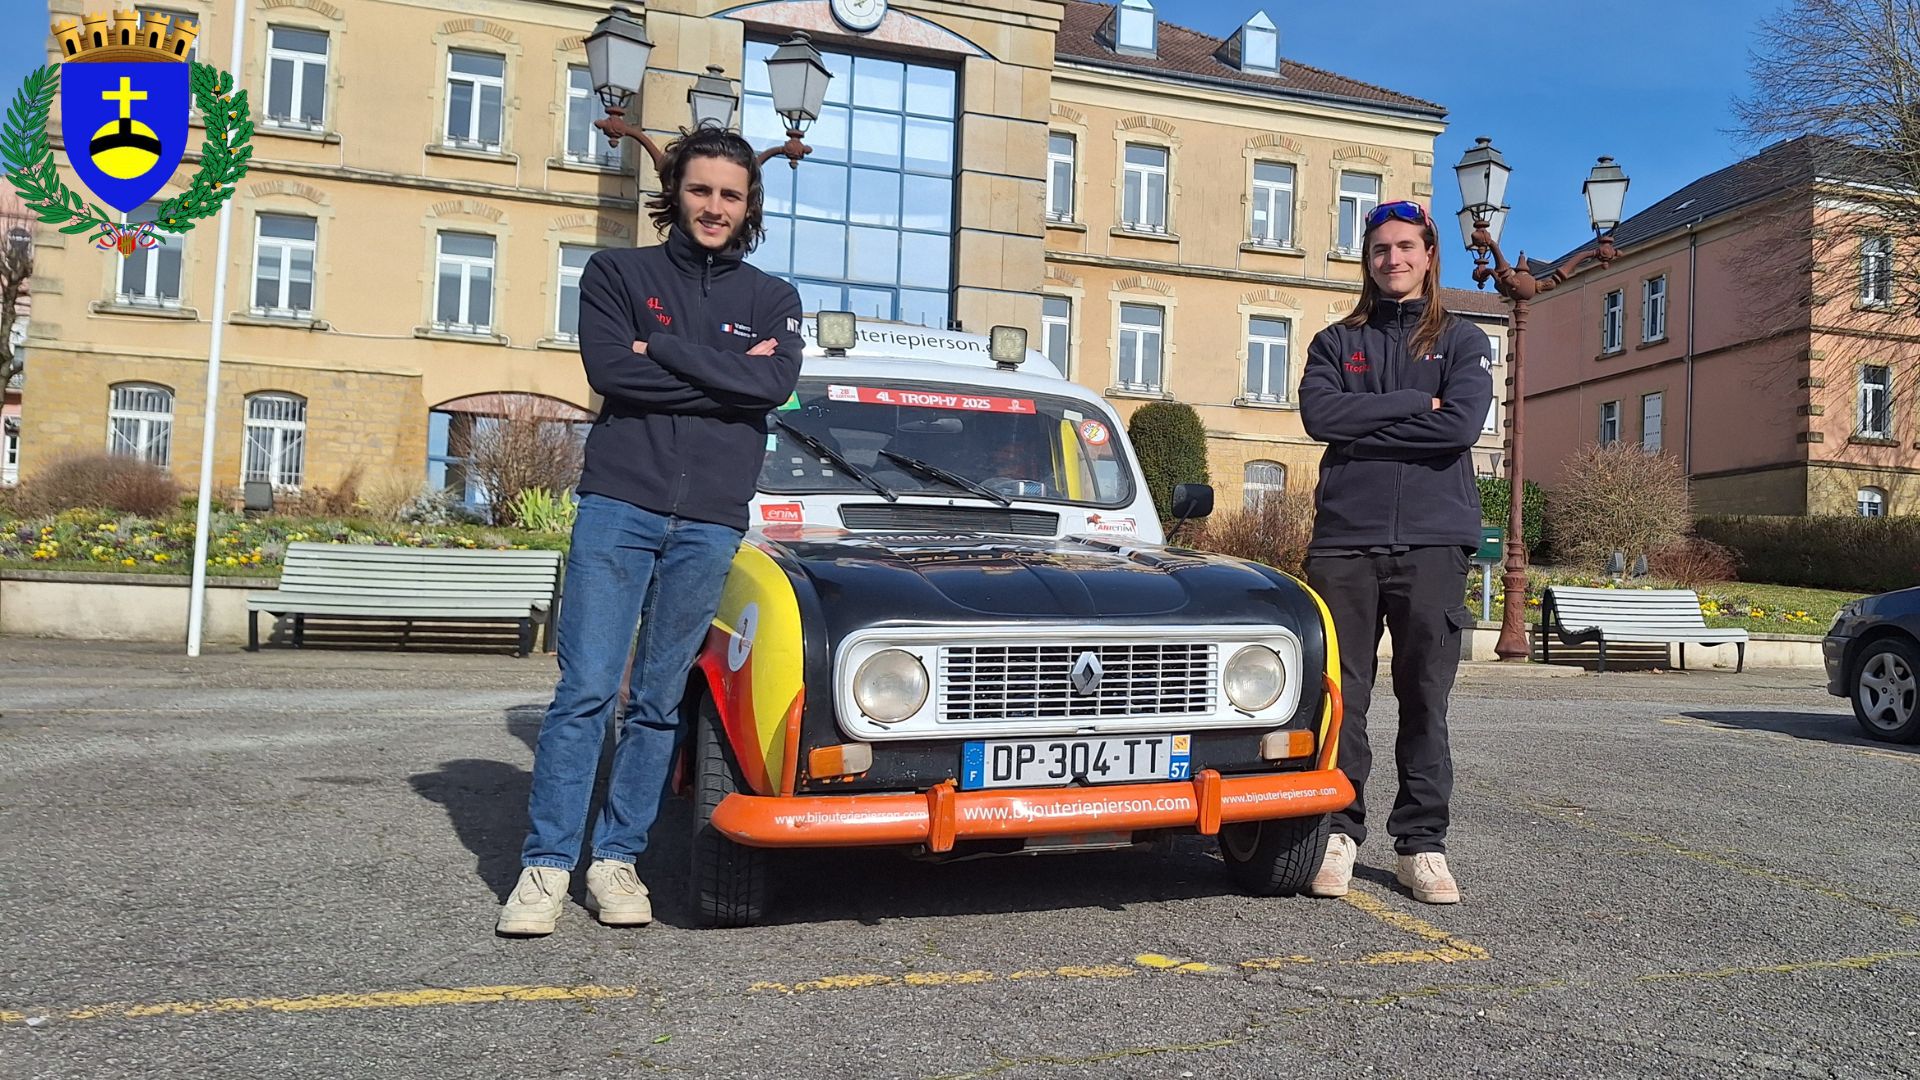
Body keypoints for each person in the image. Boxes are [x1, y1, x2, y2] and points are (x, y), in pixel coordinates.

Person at [497, 128, 804, 936]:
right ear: (676, 192)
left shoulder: (772, 299)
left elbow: (770, 388)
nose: (715, 208)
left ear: (749, 206)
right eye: (701, 190)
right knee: (587, 690)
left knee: (659, 703)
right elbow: (611, 371)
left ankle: (617, 860)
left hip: (708, 518)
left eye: (730, 195)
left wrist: (662, 348)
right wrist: (723, 376)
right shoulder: (617, 272)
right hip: (619, 505)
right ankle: (547, 866)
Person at [1296, 199, 1493, 905]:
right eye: (1381, 249)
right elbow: (1322, 417)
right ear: (1367, 261)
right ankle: (1338, 834)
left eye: (1407, 247)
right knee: (1339, 702)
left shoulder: (1464, 341)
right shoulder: (1333, 342)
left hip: (1435, 543)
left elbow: (1460, 430)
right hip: (1344, 541)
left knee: (1424, 701)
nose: (1394, 260)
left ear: (1429, 255)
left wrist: (1370, 421)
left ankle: (1422, 846)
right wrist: (1418, 404)